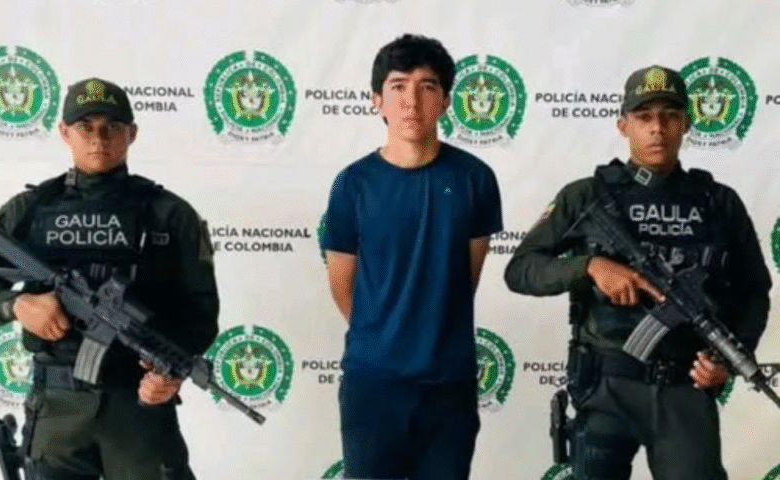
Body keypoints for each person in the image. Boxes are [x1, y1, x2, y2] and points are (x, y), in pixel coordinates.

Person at [504, 65, 771, 480]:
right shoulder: (586, 196)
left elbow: (754, 292)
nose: (657, 128)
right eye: (644, 116)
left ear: (686, 124)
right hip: (605, 387)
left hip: (686, 386)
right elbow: (521, 270)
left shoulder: (718, 202)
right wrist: (590, 266)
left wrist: (728, 360)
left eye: (670, 116)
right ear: (623, 125)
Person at [0, 78, 219, 480]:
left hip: (140, 407)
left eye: (112, 127)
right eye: (85, 126)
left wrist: (170, 372)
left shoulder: (170, 215)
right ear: (64, 132)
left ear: (132, 133)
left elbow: (201, 313)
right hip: (57, 410)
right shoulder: (28, 210)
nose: (98, 138)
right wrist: (17, 305)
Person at [321, 34, 503, 480]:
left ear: (445, 101)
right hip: (373, 384)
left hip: (449, 384)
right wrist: (386, 337)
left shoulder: (475, 179)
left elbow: (465, 279)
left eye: (427, 86)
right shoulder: (352, 184)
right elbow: (343, 287)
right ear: (377, 100)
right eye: (398, 86)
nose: (411, 101)